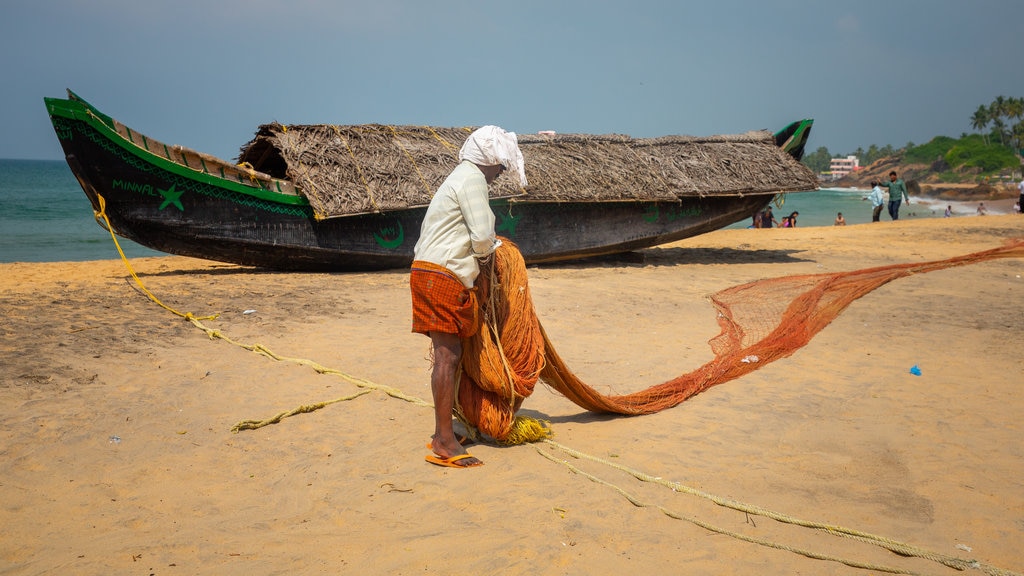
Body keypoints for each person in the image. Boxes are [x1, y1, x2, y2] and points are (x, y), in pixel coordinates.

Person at [409, 125, 527, 469]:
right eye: (500, 167)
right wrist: (495, 253)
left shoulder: (458, 176)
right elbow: (481, 236)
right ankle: (444, 441)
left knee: (450, 354)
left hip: (431, 272)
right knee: (448, 356)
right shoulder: (473, 178)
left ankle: (442, 433)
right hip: (442, 274)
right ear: (488, 160)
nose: (500, 174)